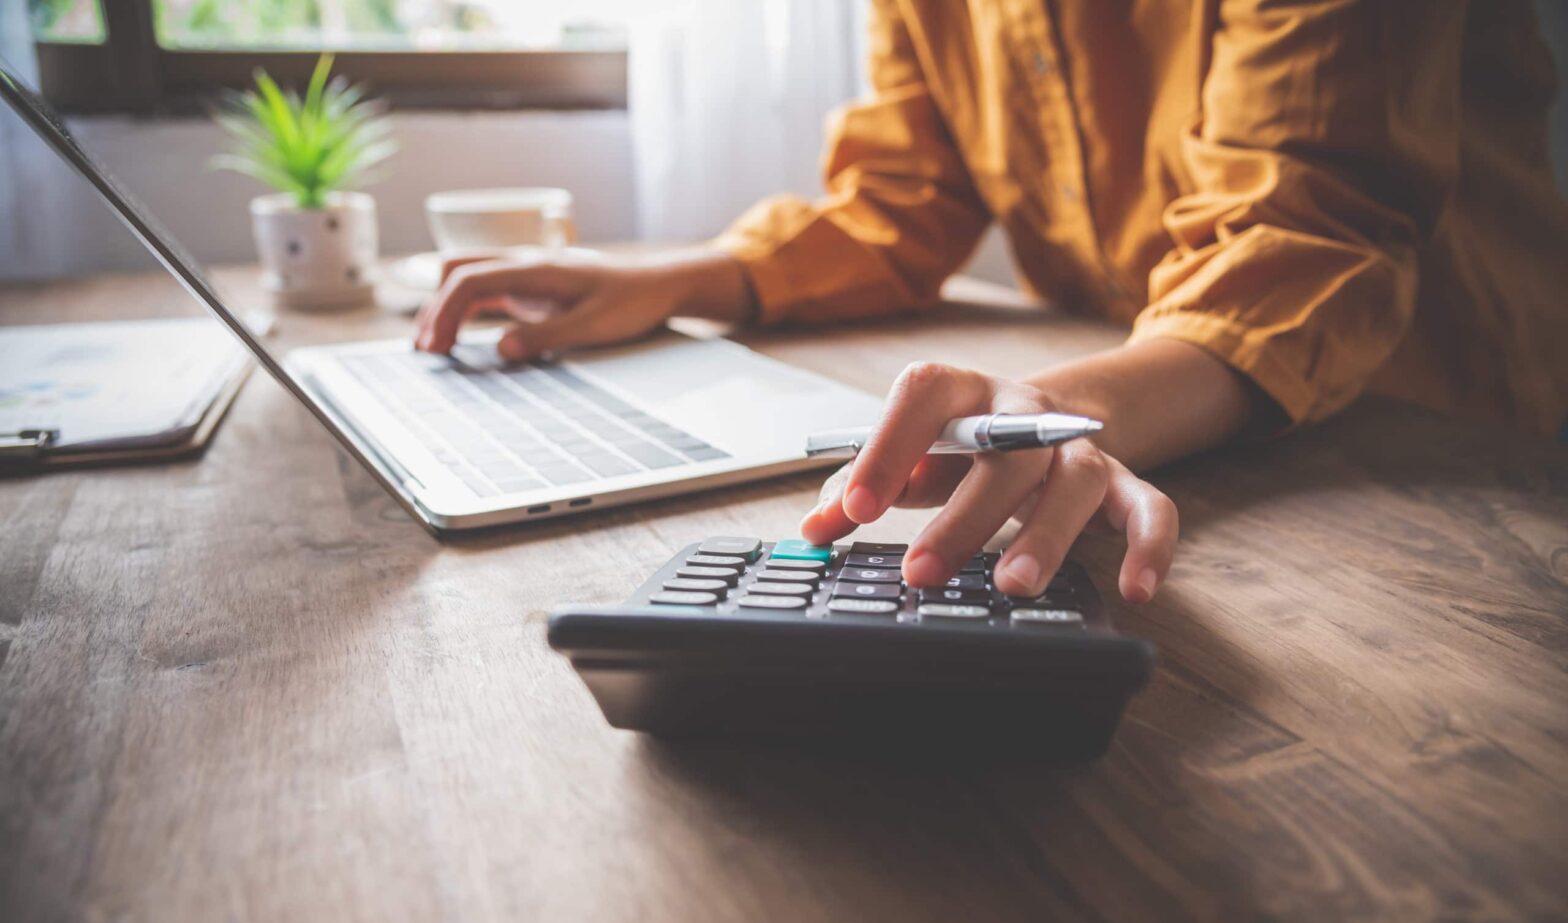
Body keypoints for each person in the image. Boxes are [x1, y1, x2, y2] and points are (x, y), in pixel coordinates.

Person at [415, 0, 1568, 603]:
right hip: (1143, 405)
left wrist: (1050, 408)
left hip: (1423, 448)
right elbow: (905, 190)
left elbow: (1301, 229)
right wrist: (685, 274)